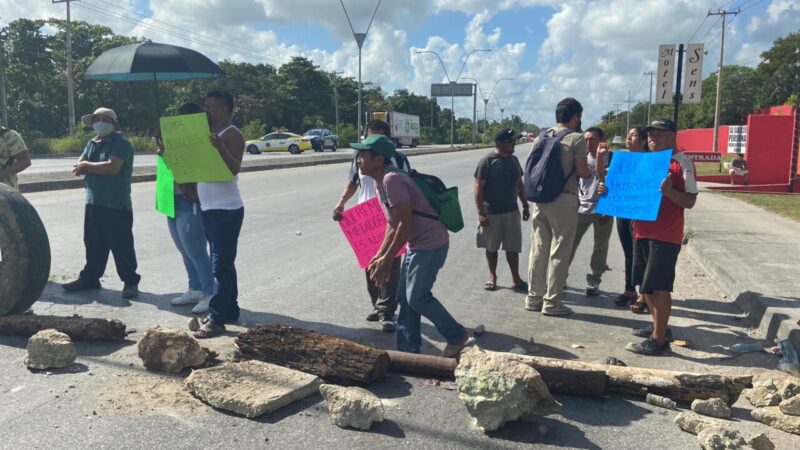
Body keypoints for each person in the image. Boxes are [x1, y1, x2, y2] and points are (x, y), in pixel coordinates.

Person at [358, 134, 468, 357]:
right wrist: (380, 254)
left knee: (417, 297)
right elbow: (393, 223)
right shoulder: (380, 182)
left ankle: (457, 335)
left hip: (430, 244)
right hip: (416, 245)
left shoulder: (392, 180)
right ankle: (408, 350)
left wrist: (388, 259)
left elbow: (405, 224)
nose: (358, 160)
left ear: (378, 160)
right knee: (405, 298)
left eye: (363, 155)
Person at [617, 119, 698, 355]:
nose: (653, 138)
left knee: (660, 287)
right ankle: (658, 328)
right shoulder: (645, 162)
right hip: (641, 231)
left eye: (659, 134)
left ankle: (659, 340)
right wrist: (608, 191)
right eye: (650, 134)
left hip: (665, 235)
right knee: (646, 286)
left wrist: (669, 192)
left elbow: (690, 201)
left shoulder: (682, 163)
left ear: (673, 136)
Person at [332, 120, 410, 332]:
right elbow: (353, 182)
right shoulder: (359, 157)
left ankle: (388, 312)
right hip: (366, 220)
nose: (372, 141)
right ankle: (377, 305)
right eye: (369, 136)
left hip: (389, 217)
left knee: (389, 265)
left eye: (378, 137)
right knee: (370, 265)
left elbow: (408, 185)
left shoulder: (398, 159)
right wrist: (341, 203)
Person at [64, 107, 140, 299]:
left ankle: (130, 281)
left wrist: (87, 166)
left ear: (114, 124)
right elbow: (79, 166)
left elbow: (112, 168)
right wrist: (87, 166)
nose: (101, 123)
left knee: (121, 245)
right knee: (93, 243)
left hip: (115, 203)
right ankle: (90, 277)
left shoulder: (121, 144)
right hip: (93, 201)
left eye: (105, 120)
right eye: (97, 119)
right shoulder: (91, 143)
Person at [525, 98, 590, 316]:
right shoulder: (576, 138)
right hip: (564, 198)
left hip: (540, 198)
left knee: (538, 248)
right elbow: (582, 172)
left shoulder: (541, 136)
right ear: (576, 116)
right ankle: (552, 302)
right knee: (560, 250)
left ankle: (533, 298)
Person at [193, 91, 246, 339]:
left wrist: (221, 147)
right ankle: (230, 309)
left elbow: (234, 168)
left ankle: (217, 319)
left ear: (224, 109)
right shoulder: (207, 134)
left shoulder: (232, 134)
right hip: (209, 209)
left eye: (210, 106)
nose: (206, 110)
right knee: (224, 264)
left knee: (220, 266)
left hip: (226, 210)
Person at [155, 103, 215, 308]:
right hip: (172, 199)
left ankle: (210, 292)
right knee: (184, 249)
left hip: (190, 201)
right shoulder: (174, 138)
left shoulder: (201, 141)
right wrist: (164, 148)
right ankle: (195, 288)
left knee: (196, 250)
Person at [474, 128, 529, 292]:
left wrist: (525, 205)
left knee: (512, 247)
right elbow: (478, 189)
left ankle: (516, 278)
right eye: (511, 141)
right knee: (491, 247)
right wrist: (481, 214)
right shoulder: (487, 161)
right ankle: (492, 275)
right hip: (491, 213)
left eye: (514, 140)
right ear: (500, 143)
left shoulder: (514, 160)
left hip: (511, 211)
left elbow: (520, 185)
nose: (514, 143)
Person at [567, 127, 612, 297]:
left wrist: (608, 211)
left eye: (592, 139)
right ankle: (561, 276)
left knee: (600, 247)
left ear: (602, 140)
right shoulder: (581, 158)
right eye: (585, 139)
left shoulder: (612, 158)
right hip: (581, 208)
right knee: (570, 244)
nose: (588, 143)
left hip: (603, 209)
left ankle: (594, 280)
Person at [615, 126, 649, 311]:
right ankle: (629, 289)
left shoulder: (652, 161)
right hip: (623, 211)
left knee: (642, 253)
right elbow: (613, 183)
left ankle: (644, 294)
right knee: (628, 252)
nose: (628, 139)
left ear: (644, 141)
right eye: (627, 135)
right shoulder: (622, 159)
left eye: (633, 136)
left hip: (642, 213)